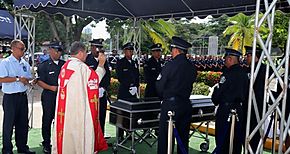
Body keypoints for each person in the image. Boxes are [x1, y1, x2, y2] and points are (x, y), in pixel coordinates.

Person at [52, 41, 108, 154]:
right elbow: (94, 79)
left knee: (67, 139)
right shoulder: (81, 68)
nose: (87, 55)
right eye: (86, 53)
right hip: (79, 110)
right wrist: (101, 65)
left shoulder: (65, 66)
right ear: (81, 53)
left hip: (66, 111)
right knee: (79, 138)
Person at [156, 36, 197, 154]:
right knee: (183, 138)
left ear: (176, 50)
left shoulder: (170, 65)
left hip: (170, 105)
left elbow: (159, 85)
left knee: (165, 138)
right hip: (185, 104)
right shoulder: (191, 67)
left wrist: (164, 97)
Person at [0, 39, 35, 154]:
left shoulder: (24, 63)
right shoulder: (6, 62)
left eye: (24, 49)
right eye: (21, 49)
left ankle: (22, 147)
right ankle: (7, 149)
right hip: (10, 97)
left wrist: (31, 81)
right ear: (13, 49)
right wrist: (17, 79)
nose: (23, 51)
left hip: (22, 96)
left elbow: (27, 77)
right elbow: (1, 79)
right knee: (9, 124)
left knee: (23, 123)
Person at [211, 48, 249, 154]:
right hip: (239, 110)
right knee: (236, 141)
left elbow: (218, 93)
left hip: (225, 110)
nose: (224, 62)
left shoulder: (227, 74)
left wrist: (215, 98)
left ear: (230, 59)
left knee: (223, 141)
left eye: (226, 59)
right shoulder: (244, 73)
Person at [37, 41, 66, 153]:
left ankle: (59, 141)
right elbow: (39, 81)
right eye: (56, 51)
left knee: (61, 120)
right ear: (50, 50)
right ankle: (46, 143)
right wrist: (51, 87)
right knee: (47, 120)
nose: (58, 53)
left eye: (59, 51)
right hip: (49, 96)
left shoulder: (64, 65)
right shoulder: (43, 65)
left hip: (62, 97)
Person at [85, 38, 111, 135]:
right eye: (97, 47)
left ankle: (101, 136)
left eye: (100, 48)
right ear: (92, 48)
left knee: (102, 116)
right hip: (91, 94)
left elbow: (107, 75)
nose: (99, 50)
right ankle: (91, 138)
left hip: (102, 93)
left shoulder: (103, 60)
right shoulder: (87, 60)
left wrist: (103, 88)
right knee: (91, 117)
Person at [243, 46, 266, 152]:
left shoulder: (265, 70)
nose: (246, 58)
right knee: (244, 135)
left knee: (254, 136)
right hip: (245, 107)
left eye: (248, 56)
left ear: (256, 57)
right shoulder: (246, 70)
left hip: (258, 108)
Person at [116, 42, 140, 140]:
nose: (130, 52)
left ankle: (130, 134)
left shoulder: (134, 63)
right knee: (122, 113)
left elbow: (137, 76)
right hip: (124, 92)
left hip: (133, 92)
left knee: (131, 113)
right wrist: (129, 86)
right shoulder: (120, 62)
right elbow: (120, 77)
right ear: (124, 51)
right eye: (128, 50)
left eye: (131, 50)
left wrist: (136, 86)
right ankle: (120, 135)